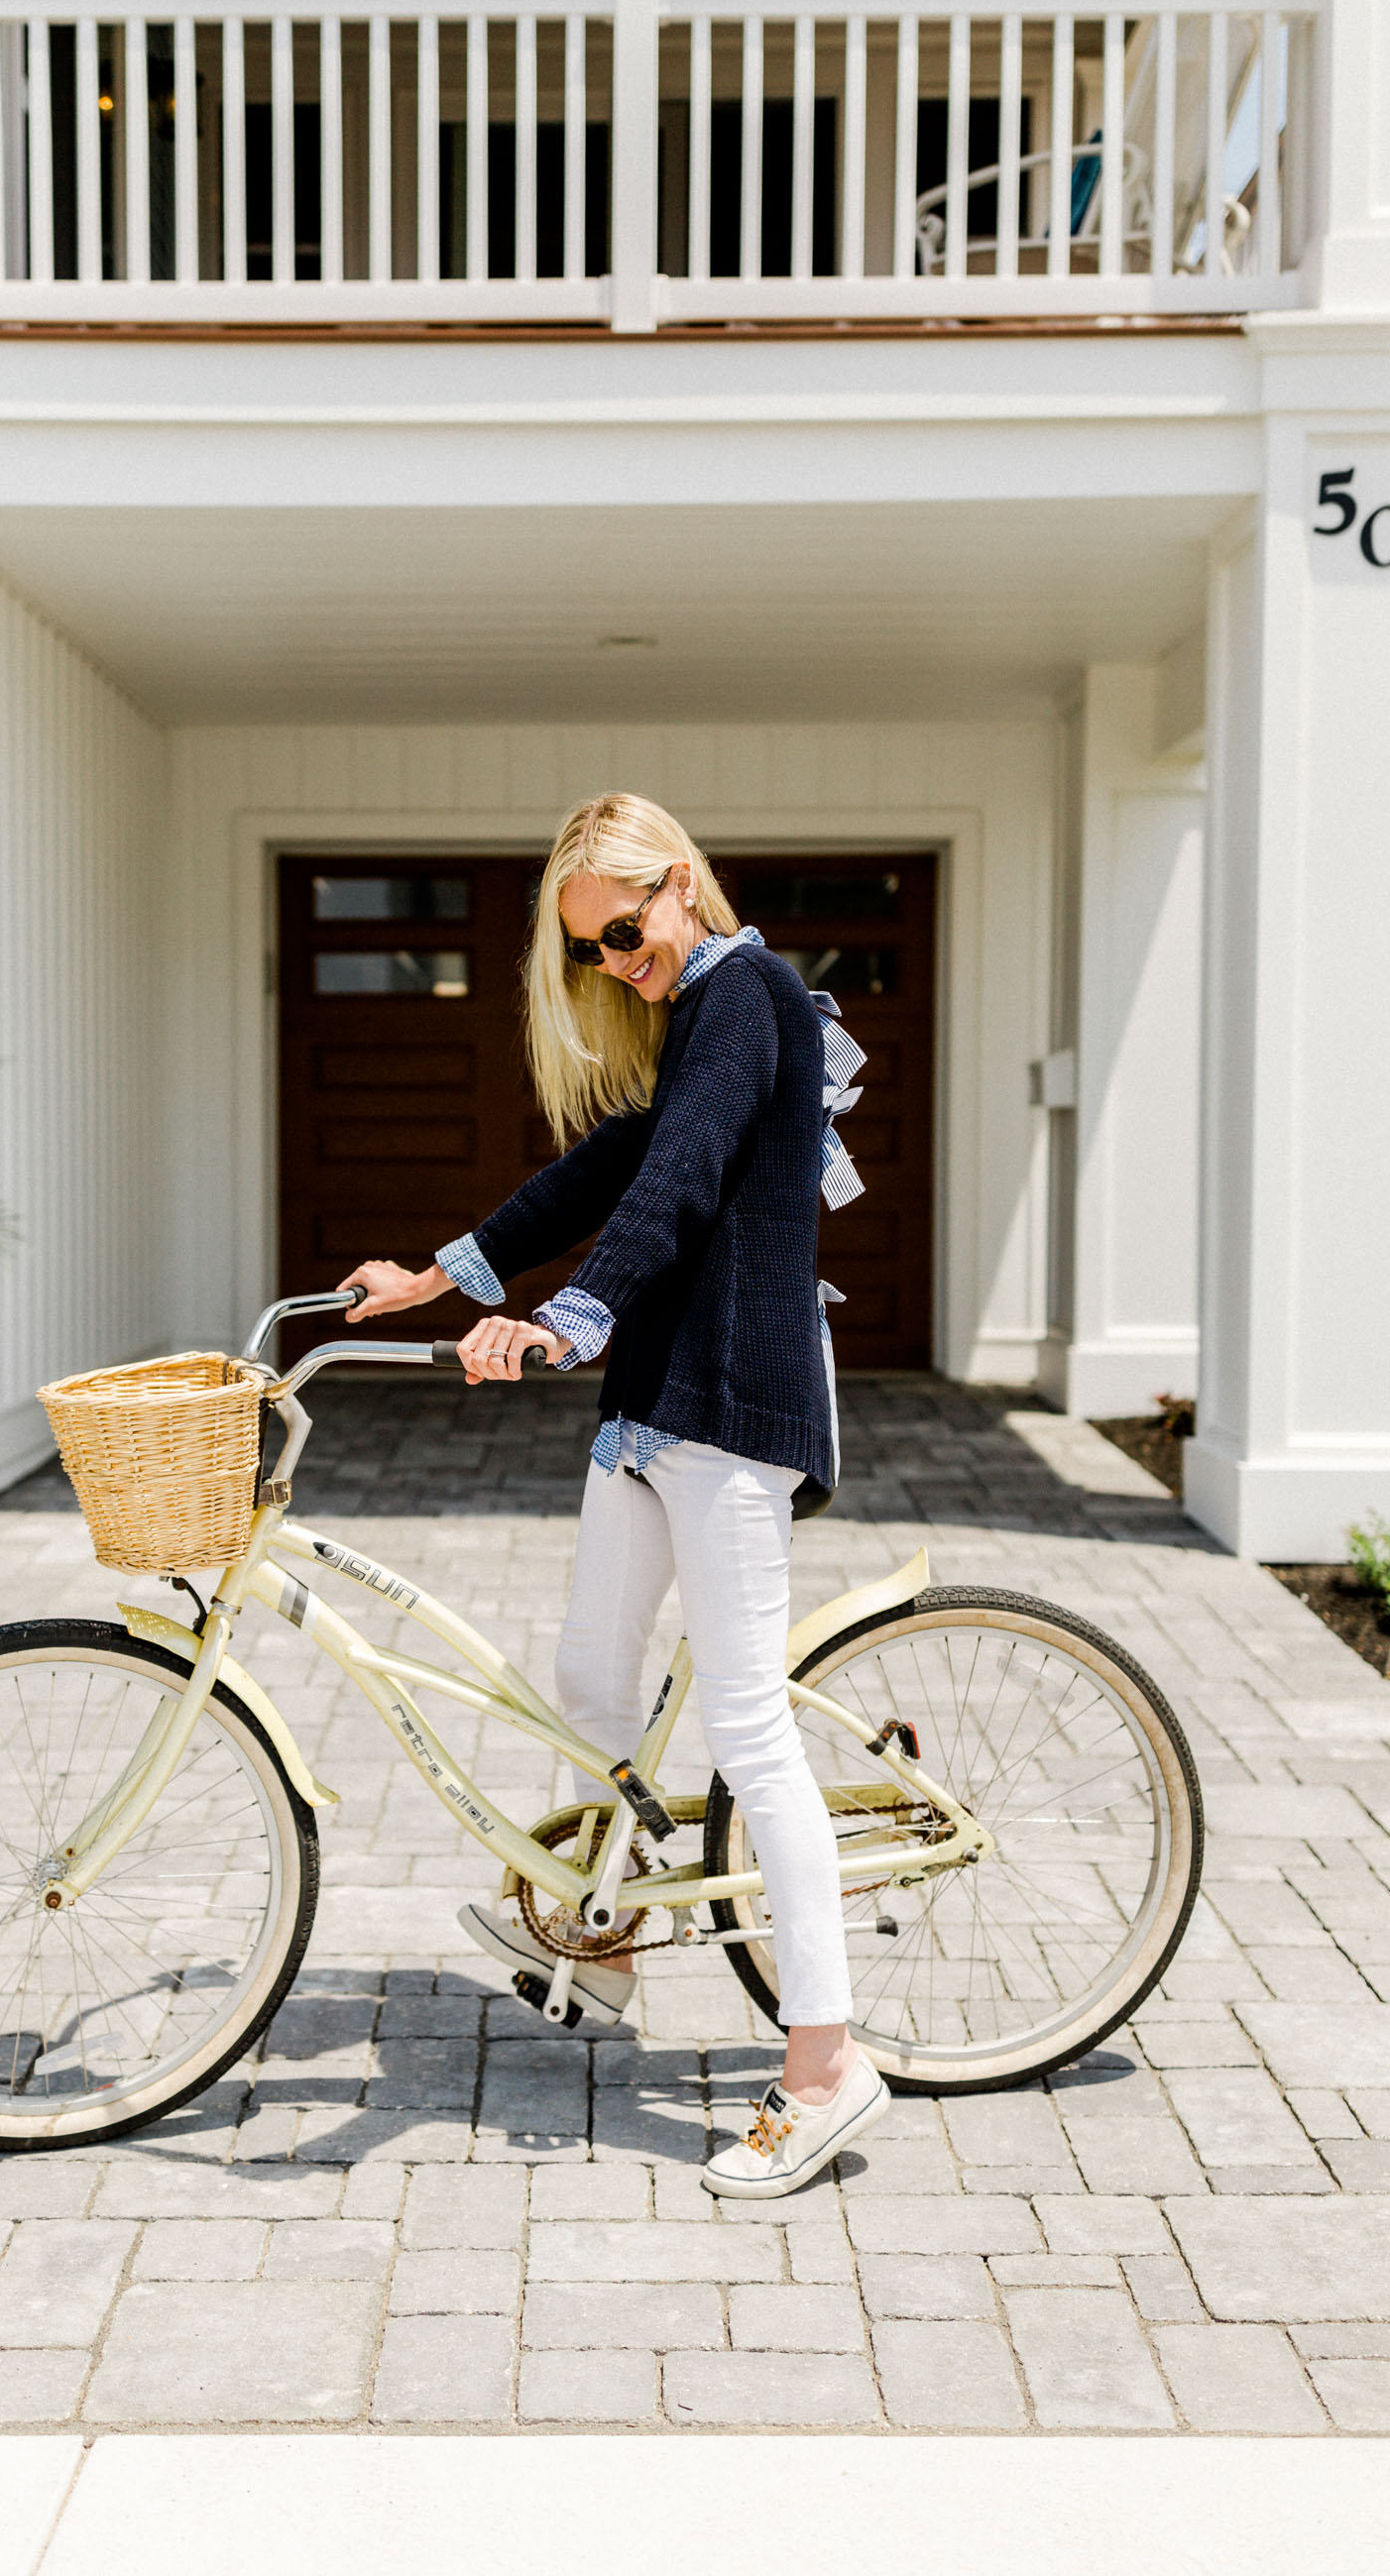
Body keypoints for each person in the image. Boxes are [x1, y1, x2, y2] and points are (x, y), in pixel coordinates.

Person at [339, 793, 887, 2200]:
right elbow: (604, 1168)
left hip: (729, 1405)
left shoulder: (749, 990)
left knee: (750, 1733)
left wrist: (566, 1317)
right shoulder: (691, 1013)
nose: (618, 967)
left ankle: (824, 2069)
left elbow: (686, 1179)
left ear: (682, 889)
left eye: (628, 935)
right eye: (592, 952)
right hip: (651, 1407)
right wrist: (446, 1273)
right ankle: (612, 1940)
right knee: (591, 1674)